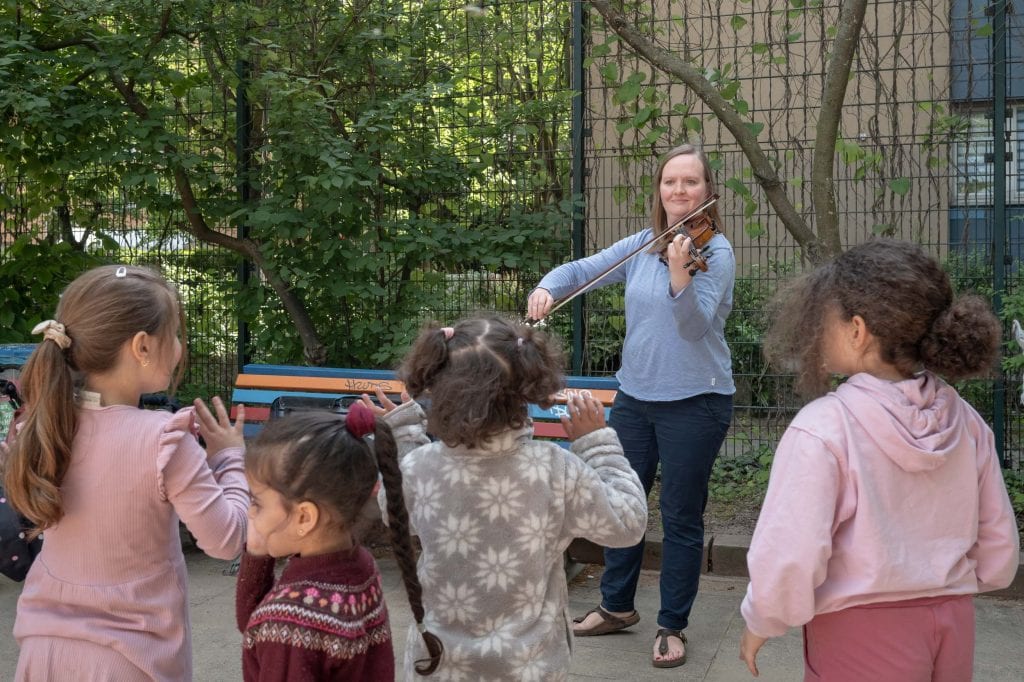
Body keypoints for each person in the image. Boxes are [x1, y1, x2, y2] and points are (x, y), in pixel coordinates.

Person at [739, 240, 1020, 680]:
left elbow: (790, 554)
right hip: (953, 621)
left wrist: (762, 621)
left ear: (857, 330)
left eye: (823, 319)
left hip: (858, 632)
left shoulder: (825, 427)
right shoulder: (965, 420)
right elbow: (999, 546)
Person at [527, 143, 735, 668]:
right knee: (620, 502)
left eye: (690, 182)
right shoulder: (645, 244)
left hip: (697, 401)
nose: (679, 191)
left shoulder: (717, 254)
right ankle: (617, 606)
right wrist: (548, 288)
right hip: (636, 399)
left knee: (680, 516)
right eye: (670, 182)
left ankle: (672, 625)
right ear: (660, 192)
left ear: (708, 192)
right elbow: (580, 269)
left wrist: (681, 277)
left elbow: (693, 328)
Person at [2, 264, 250, 681]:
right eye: (173, 333)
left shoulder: (41, 428)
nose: (177, 346)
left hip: (42, 656)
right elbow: (227, 540)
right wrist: (228, 458)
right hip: (131, 662)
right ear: (142, 346)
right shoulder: (164, 442)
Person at [371, 315, 647, 681]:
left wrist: (405, 434)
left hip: (438, 665)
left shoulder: (420, 467)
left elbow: (395, 513)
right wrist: (597, 443)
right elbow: (627, 525)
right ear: (526, 387)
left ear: (438, 389)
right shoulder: (553, 470)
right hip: (529, 668)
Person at [235, 401, 442, 681]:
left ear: (305, 518)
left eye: (256, 502)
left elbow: (270, 627)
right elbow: (258, 626)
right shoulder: (358, 567)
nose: (250, 512)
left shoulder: (293, 621)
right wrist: (258, 555)